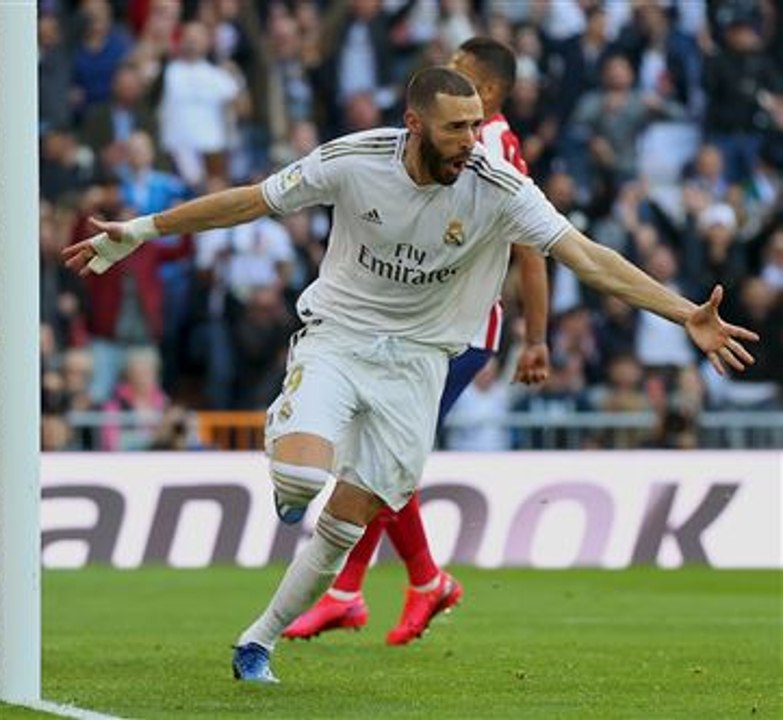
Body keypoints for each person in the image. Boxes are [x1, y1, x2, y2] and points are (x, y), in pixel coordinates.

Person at [63, 66, 756, 684]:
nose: (470, 140)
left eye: (477, 126)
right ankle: (287, 433)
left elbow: (587, 256)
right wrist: (144, 229)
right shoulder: (353, 161)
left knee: (342, 529)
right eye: (457, 128)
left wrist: (681, 313)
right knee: (301, 483)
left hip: (420, 367)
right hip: (339, 339)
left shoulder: (499, 187)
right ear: (415, 124)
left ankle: (258, 639)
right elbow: (249, 200)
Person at [282, 37, 550, 647]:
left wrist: (536, 336)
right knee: (379, 456)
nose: (446, 78)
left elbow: (532, 244)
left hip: (458, 329)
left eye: (460, 74)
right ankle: (384, 587)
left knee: (383, 457)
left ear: (487, 92)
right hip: (419, 324)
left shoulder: (493, 143)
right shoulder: (446, 140)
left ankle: (383, 587)